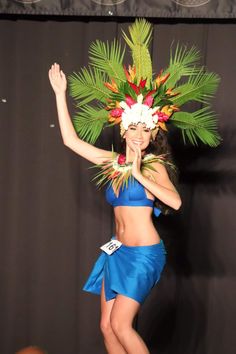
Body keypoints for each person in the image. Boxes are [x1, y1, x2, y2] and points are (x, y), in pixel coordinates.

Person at [48, 19, 220, 354]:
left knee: (121, 326)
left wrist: (140, 173)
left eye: (146, 131)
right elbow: (70, 140)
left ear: (152, 134)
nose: (140, 136)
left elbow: (176, 202)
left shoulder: (154, 166)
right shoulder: (113, 163)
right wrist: (59, 94)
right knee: (106, 327)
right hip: (116, 250)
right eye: (134, 129)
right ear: (124, 131)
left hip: (143, 255)